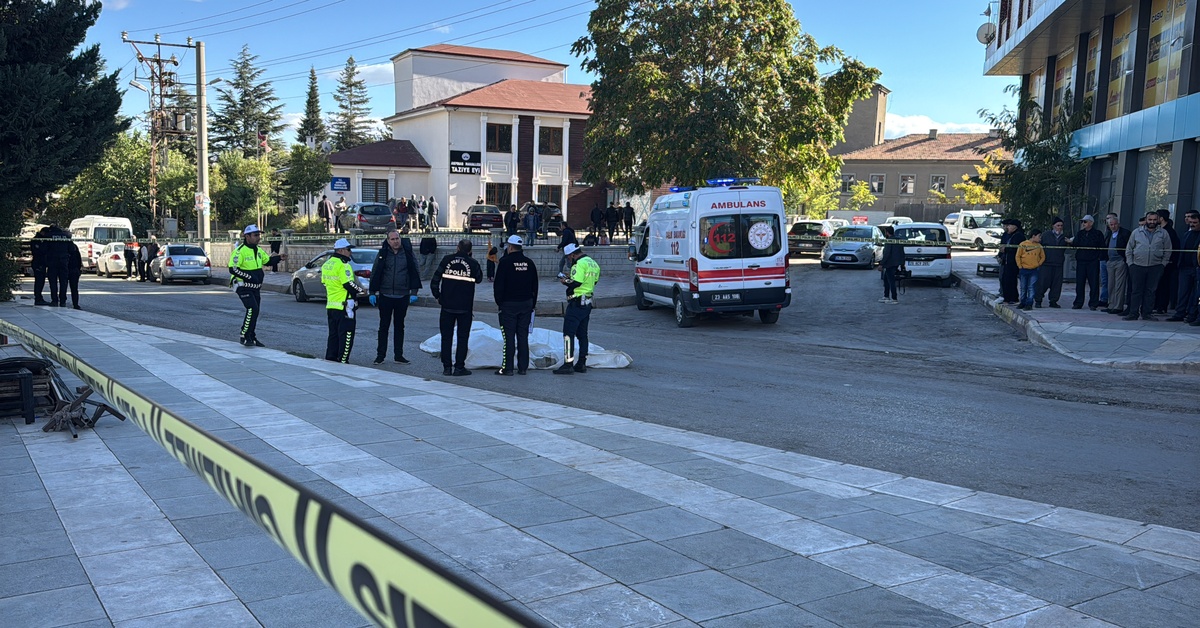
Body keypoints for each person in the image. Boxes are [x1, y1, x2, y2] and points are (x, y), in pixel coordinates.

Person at [368, 230, 421, 365]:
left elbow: (415, 271)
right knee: (383, 326)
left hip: (402, 295)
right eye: (392, 239)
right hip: (385, 295)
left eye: (397, 238)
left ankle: (399, 355)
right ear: (388, 241)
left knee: (399, 326)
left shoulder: (407, 253)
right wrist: (372, 292)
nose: (395, 241)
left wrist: (414, 292)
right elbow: (375, 271)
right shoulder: (383, 253)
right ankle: (380, 355)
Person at [431, 240, 483, 376]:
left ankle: (447, 367)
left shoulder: (446, 260)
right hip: (465, 307)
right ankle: (459, 367)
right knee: (462, 338)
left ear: (457, 247)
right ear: (470, 250)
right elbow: (479, 279)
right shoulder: (473, 263)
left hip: (447, 305)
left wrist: (438, 296)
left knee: (446, 337)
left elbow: (434, 280)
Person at [228, 225, 283, 347]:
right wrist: (249, 276)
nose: (258, 237)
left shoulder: (259, 250)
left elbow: (267, 261)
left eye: (259, 235)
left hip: (255, 287)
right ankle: (244, 335)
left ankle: (251, 337)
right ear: (247, 236)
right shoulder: (239, 251)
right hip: (243, 286)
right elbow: (233, 269)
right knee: (252, 308)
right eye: (255, 235)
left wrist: (279, 258)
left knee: (255, 311)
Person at [493, 235, 539, 375]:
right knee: (523, 336)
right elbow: (535, 286)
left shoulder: (505, 262)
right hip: (526, 304)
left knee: (509, 337)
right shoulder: (529, 263)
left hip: (509, 304)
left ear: (510, 247)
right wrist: (532, 304)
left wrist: (500, 303)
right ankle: (523, 367)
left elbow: (498, 285)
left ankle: (507, 368)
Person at [554, 243, 600, 374]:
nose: (569, 260)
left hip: (576, 303)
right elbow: (593, 281)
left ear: (572, 255)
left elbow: (576, 283)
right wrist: (571, 278)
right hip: (587, 302)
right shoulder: (593, 263)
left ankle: (568, 364)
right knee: (582, 335)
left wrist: (565, 281)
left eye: (568, 257)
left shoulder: (578, 264)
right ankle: (581, 363)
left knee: (568, 334)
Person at [322, 238, 367, 362]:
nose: (350, 252)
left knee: (333, 334)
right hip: (345, 305)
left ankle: (331, 358)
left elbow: (324, 283)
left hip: (331, 305)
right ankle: (343, 359)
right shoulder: (343, 265)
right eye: (348, 249)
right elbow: (348, 284)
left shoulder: (327, 264)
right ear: (341, 250)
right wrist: (361, 290)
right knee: (347, 334)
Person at [1124, 211, 1170, 321]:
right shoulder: (1136, 232)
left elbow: (1168, 249)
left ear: (1158, 220)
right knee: (1136, 291)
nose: (1152, 222)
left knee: (1151, 291)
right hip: (1137, 266)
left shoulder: (1163, 233)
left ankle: (1147, 313)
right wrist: (1130, 263)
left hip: (1155, 266)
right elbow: (1129, 249)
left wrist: (1163, 264)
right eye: (1150, 219)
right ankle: (1133, 313)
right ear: (1146, 220)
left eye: (1154, 220)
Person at [1067, 214, 1104, 310]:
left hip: (1093, 261)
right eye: (1082, 222)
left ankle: (1093, 303)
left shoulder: (1097, 233)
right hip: (1081, 261)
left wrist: (1098, 257)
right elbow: (1076, 244)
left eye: (1085, 222)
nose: (1083, 223)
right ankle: (1078, 303)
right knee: (1080, 283)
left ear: (1091, 223)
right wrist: (1070, 242)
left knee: (1094, 283)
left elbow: (1102, 246)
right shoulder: (1080, 233)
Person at [1169, 210, 1200, 323]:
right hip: (1184, 268)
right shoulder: (1187, 234)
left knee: (1196, 294)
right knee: (1182, 292)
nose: (1192, 225)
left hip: (1197, 267)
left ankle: (1193, 314)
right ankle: (1180, 313)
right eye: (1191, 222)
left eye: (1195, 223)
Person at [1104, 213, 1133, 316]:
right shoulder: (1108, 234)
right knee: (1111, 284)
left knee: (1119, 284)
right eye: (1111, 224)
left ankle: (1118, 306)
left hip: (1120, 261)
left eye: (1115, 224)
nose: (1113, 226)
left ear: (1118, 224)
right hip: (1110, 261)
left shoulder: (1125, 233)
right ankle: (1111, 304)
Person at [1035, 218, 1067, 308]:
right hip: (1046, 263)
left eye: (1061, 226)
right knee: (1042, 283)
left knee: (1056, 284)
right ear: (1053, 226)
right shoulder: (1046, 235)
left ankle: (1053, 301)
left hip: (1058, 264)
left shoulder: (1064, 237)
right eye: (1058, 225)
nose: (1059, 227)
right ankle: (1038, 300)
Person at [1154, 208, 1180, 314]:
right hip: (1157, 262)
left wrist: (1168, 261)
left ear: (1161, 218)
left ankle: (1161, 306)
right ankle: (1156, 305)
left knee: (1164, 285)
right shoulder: (1159, 230)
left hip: (1167, 263)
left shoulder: (1169, 232)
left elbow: (1172, 248)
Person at [1016, 229, 1045, 311]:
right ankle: (1022, 302)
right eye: (1039, 236)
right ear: (1033, 236)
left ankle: (1029, 303)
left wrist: (1038, 264)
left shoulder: (1039, 246)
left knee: (1031, 287)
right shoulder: (1023, 244)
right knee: (1023, 287)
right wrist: (1020, 266)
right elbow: (1018, 256)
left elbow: (1043, 256)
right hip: (1024, 269)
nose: (1040, 238)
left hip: (1034, 270)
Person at [44, 225, 71, 307]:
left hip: (52, 262)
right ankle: (63, 301)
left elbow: (44, 249)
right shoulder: (66, 236)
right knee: (63, 282)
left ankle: (54, 300)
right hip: (63, 262)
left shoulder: (48, 236)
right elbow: (72, 249)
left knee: (53, 282)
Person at [997, 219, 1023, 304]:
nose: (1008, 227)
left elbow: (1016, 248)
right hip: (1006, 260)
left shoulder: (1018, 236)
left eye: (1009, 226)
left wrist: (1006, 249)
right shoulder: (1008, 235)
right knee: (1005, 279)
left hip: (1013, 261)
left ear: (1015, 227)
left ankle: (1012, 298)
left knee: (1011, 280)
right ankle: (1006, 297)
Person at [878, 225, 904, 304]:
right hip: (896, 264)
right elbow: (902, 252)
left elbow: (887, 253)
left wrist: (881, 264)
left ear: (887, 233)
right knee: (886, 280)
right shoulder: (899, 240)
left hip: (890, 264)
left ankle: (894, 298)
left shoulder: (889, 241)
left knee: (891, 281)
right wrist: (902, 264)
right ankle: (886, 296)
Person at [31, 225, 50, 305]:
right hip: (38, 263)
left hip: (41, 263)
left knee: (41, 281)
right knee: (39, 281)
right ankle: (38, 298)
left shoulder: (41, 239)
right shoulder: (37, 240)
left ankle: (39, 297)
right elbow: (39, 251)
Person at [66, 238, 82, 309]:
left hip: (65, 269)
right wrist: (78, 269)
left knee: (63, 287)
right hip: (74, 269)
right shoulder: (74, 246)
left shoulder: (63, 247)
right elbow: (79, 259)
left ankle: (62, 301)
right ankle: (75, 304)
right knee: (74, 288)